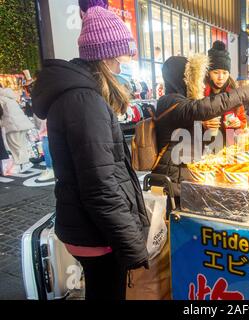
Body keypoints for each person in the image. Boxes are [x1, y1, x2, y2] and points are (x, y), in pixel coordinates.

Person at [31, 2, 149, 300]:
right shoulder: (85, 103)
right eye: (119, 59)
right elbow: (100, 187)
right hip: (96, 231)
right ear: (105, 58)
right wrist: (131, 244)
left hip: (87, 225)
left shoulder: (78, 97)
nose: (122, 67)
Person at [152, 54, 249, 200]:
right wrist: (247, 91)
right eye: (195, 79)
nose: (200, 84)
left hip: (182, 174)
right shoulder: (171, 101)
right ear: (183, 79)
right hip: (173, 181)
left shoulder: (178, 100)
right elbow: (205, 107)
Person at [204, 41, 247, 142]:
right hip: (205, 146)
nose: (221, 77)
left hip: (229, 146)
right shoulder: (200, 93)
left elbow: (243, 121)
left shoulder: (234, 94)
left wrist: (239, 123)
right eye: (216, 72)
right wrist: (202, 123)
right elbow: (189, 121)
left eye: (225, 72)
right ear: (208, 73)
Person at [0, 87, 34, 174]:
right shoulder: (9, 96)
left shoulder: (1, 98)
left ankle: (24, 163)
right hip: (21, 123)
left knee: (15, 145)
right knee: (21, 144)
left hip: (12, 124)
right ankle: (24, 163)